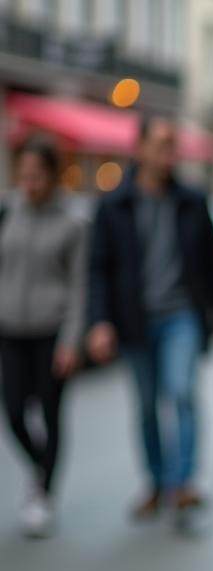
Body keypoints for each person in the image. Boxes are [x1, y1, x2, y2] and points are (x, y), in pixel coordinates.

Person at [86, 116, 213, 522]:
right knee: (146, 405)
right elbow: (98, 267)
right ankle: (156, 482)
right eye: (160, 144)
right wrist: (99, 321)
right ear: (139, 149)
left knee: (182, 391)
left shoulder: (191, 199)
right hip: (135, 318)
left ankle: (183, 482)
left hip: (181, 314)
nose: (168, 152)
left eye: (172, 144)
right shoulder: (114, 203)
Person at [0, 140, 88, 536]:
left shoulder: (73, 221)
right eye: (24, 175)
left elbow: (80, 285)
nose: (29, 183)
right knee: (14, 411)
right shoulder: (7, 211)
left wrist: (72, 339)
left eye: (37, 176)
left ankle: (44, 495)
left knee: (50, 412)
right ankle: (40, 468)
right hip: (12, 329)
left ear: (54, 176)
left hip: (52, 331)